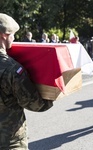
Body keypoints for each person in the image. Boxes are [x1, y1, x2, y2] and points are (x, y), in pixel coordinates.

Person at [0, 13, 53, 149]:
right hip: (8, 142)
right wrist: (51, 94)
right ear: (4, 35)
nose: (14, 37)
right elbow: (36, 105)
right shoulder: (12, 69)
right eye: (12, 34)